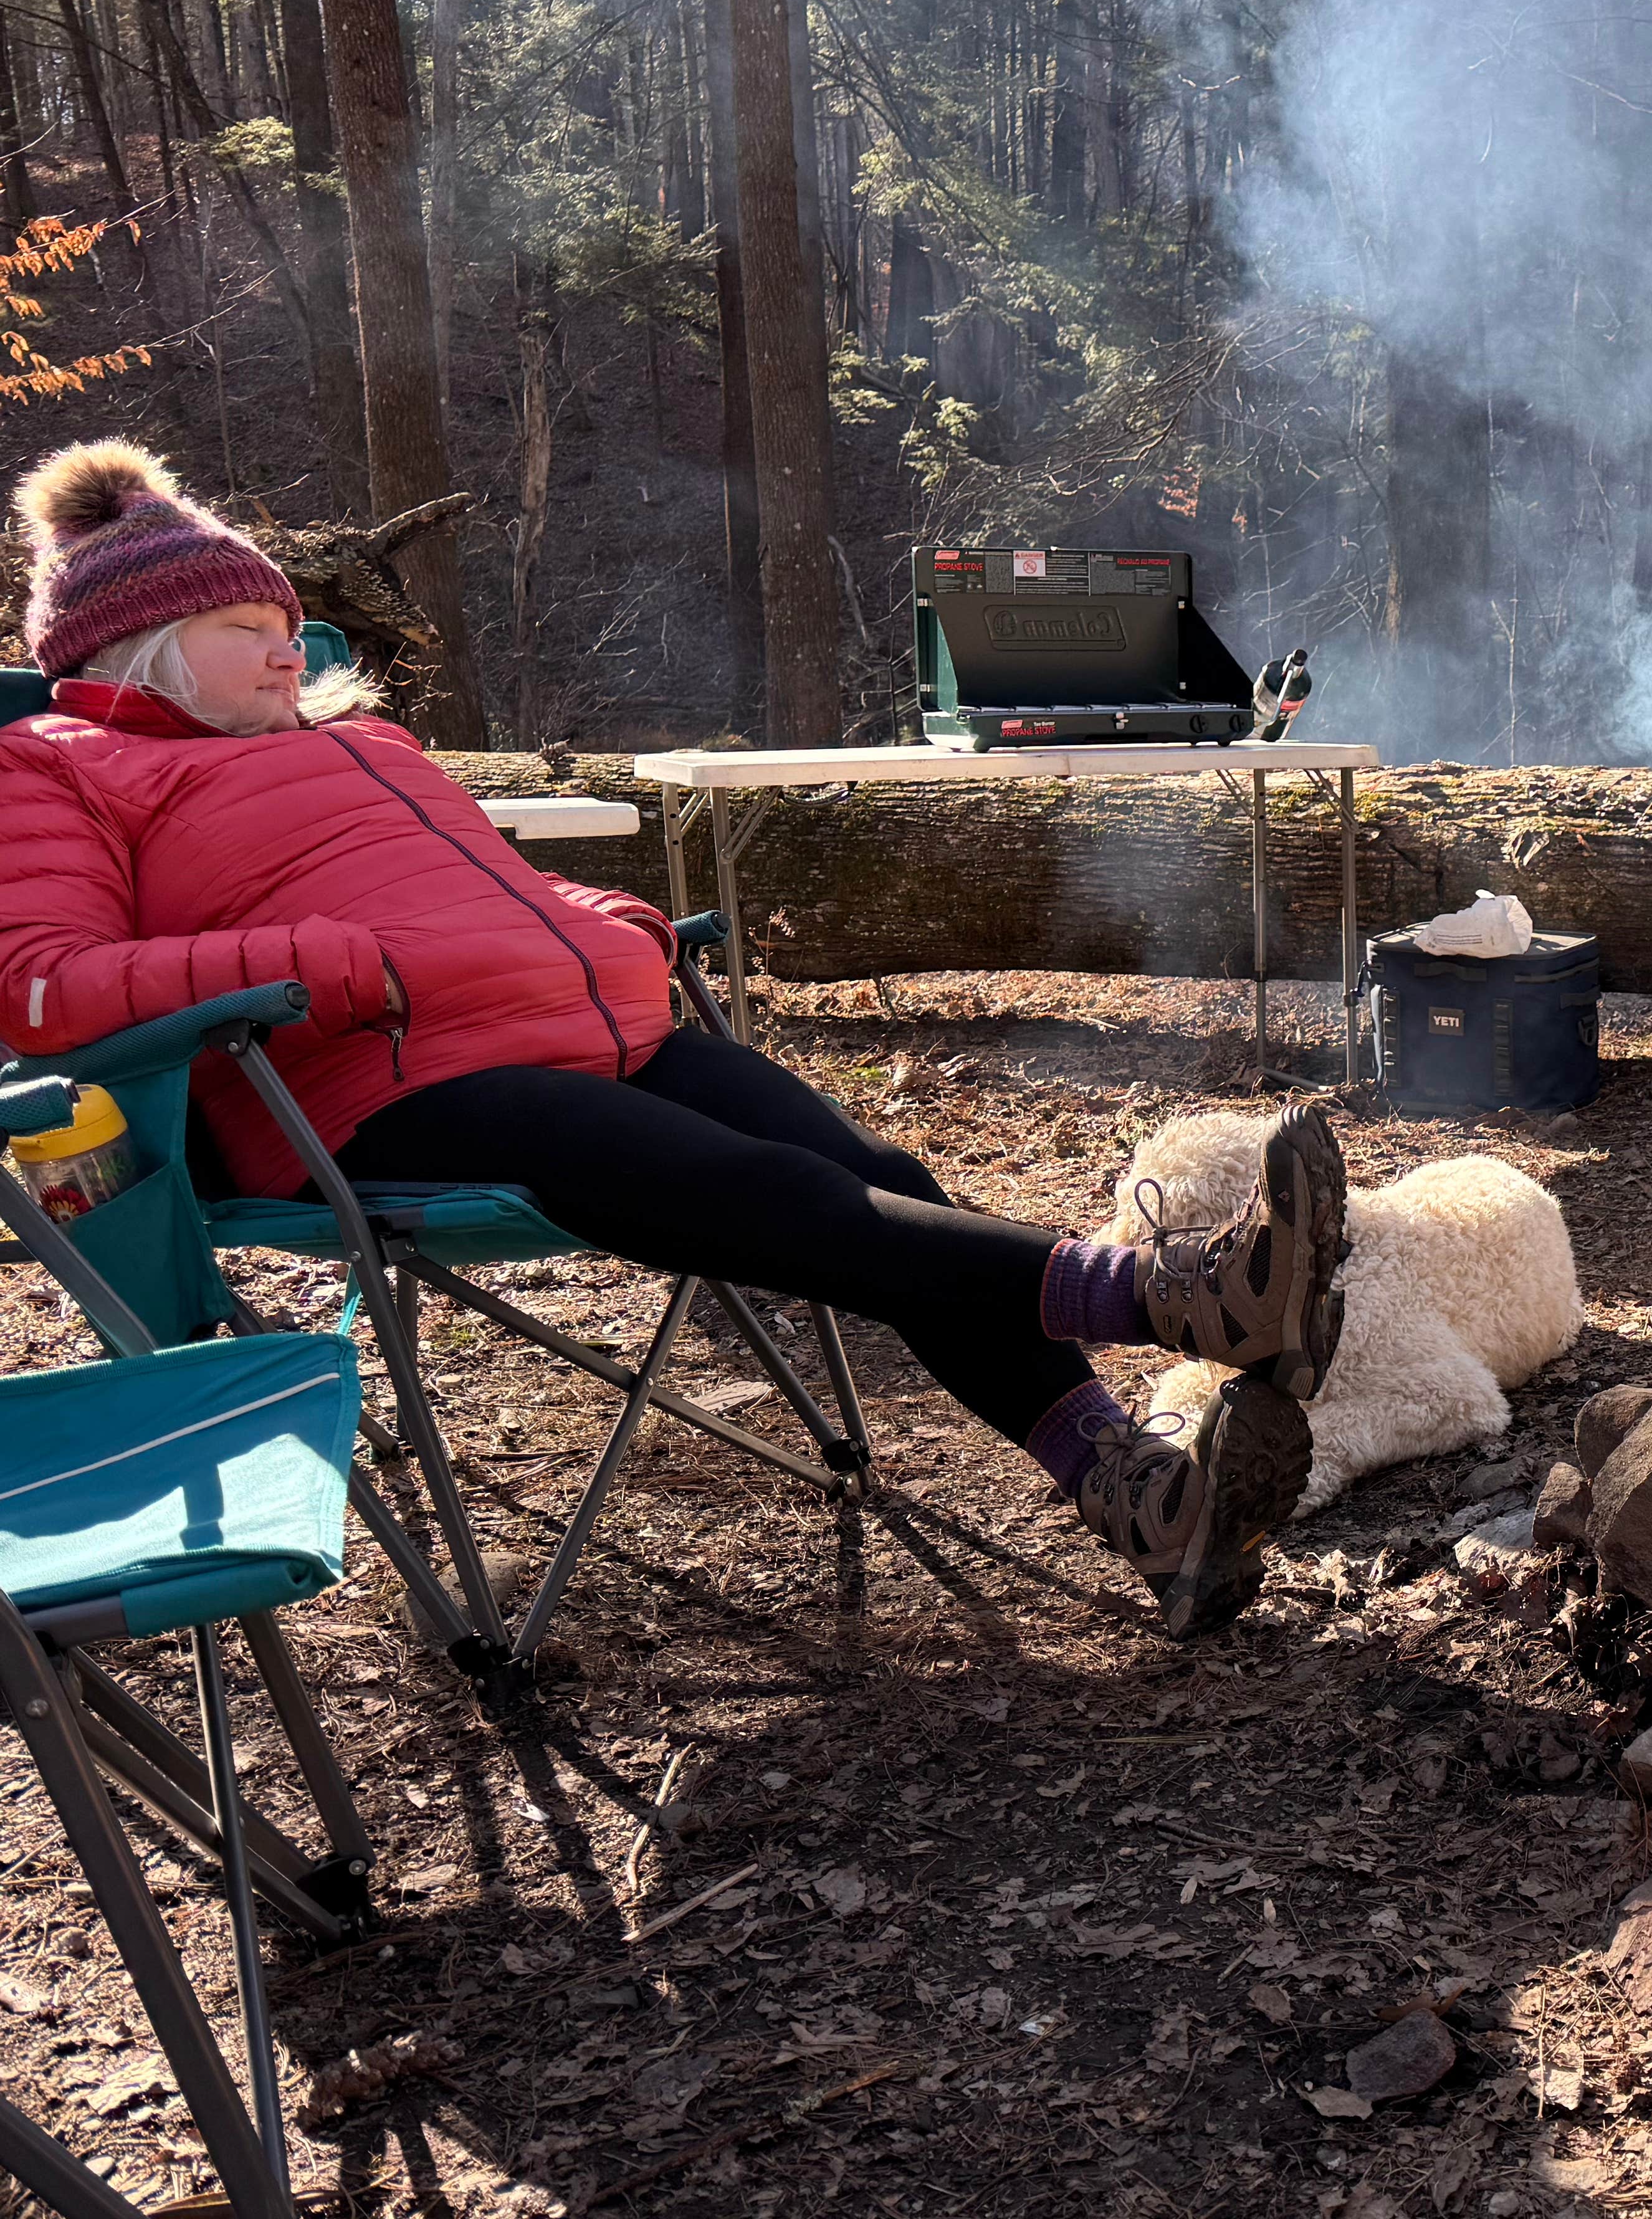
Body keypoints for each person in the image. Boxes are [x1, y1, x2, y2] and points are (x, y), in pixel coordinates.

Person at [0, 439, 1340, 1638]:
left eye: (290, 626)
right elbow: (39, 986)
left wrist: (593, 915)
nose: (293, 651)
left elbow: (468, 885)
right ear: (137, 647)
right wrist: (318, 966)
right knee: (767, 1191)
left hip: (594, 1028)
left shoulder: (365, 746)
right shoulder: (58, 765)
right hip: (380, 1086)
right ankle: (1171, 1295)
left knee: (888, 1179)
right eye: (247, 627)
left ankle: (1141, 1499)